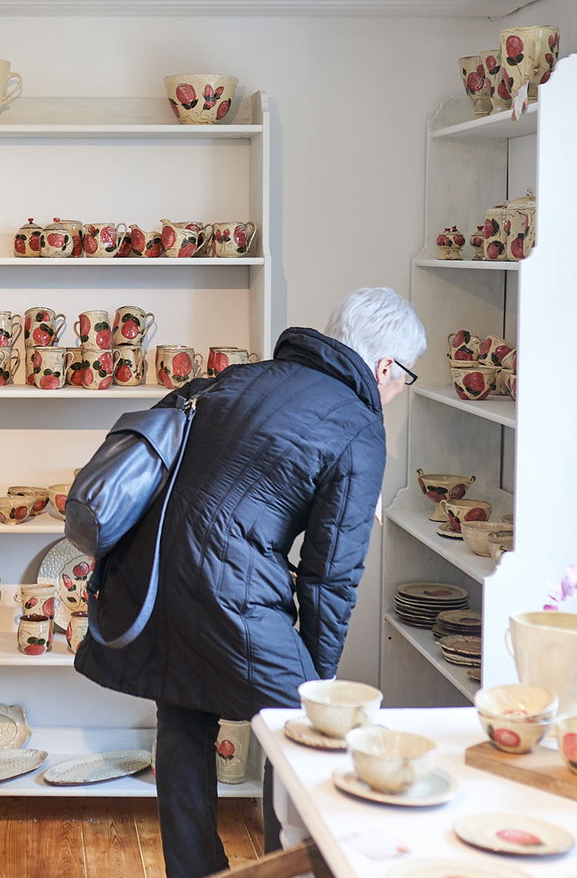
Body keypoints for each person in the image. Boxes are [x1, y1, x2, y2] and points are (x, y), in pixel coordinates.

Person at [74, 287, 425, 878]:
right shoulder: (359, 425)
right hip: (226, 590)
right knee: (301, 727)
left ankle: (197, 871)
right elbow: (330, 576)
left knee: (183, 719)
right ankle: (285, 868)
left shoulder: (239, 378)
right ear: (385, 367)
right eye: (404, 378)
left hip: (151, 572)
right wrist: (318, 680)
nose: (397, 391)